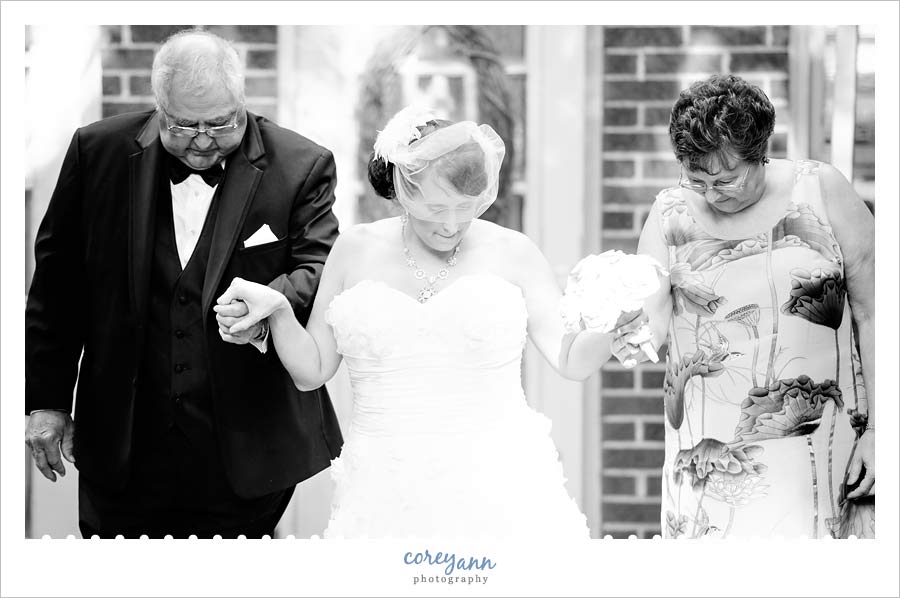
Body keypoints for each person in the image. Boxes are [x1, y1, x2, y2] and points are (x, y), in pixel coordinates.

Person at [214, 106, 623, 539]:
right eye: (435, 207)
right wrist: (278, 309)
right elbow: (310, 373)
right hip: (383, 487)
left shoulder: (514, 252)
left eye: (466, 208)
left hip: (500, 481)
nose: (450, 225)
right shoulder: (354, 250)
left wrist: (615, 330)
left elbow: (570, 358)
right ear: (402, 190)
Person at [24, 29, 343, 538]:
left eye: (220, 124)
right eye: (183, 125)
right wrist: (47, 401)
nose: (201, 139)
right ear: (158, 105)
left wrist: (269, 306)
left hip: (245, 442)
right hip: (121, 439)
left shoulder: (302, 164)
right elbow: (58, 289)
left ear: (242, 101)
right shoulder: (97, 151)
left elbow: (319, 269)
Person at [616, 74, 875, 538]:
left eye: (727, 179)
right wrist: (621, 327)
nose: (713, 194)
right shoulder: (669, 213)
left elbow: (877, 315)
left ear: (761, 152)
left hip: (823, 445)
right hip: (709, 457)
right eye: (697, 179)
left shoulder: (821, 190)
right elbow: (649, 323)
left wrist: (883, 433)